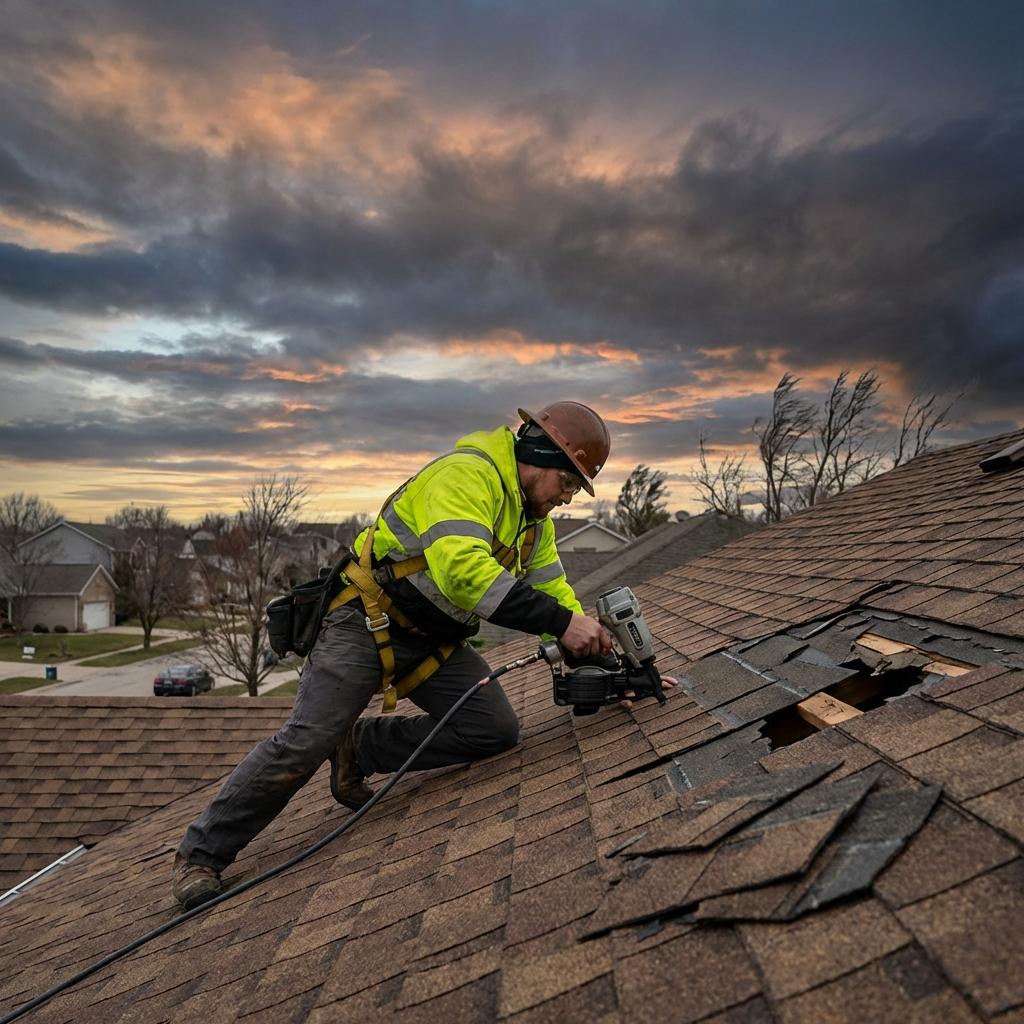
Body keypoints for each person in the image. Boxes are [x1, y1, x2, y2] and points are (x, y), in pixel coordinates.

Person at [172, 401, 617, 909]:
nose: (567, 498)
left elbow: (553, 591)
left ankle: (360, 749)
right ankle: (200, 855)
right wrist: (562, 624)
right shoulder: (466, 476)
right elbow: (463, 573)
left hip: (432, 637)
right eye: (568, 484)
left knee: (493, 729)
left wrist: (603, 662)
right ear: (540, 457)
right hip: (365, 620)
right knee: (308, 738)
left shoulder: (533, 522)